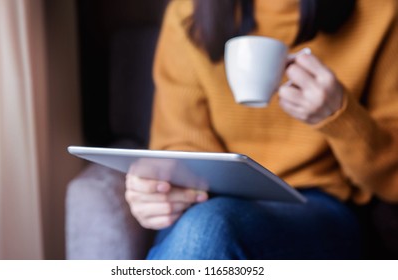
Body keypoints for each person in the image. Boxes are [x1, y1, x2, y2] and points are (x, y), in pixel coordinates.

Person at [124, 0, 398, 259]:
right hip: (210, 202)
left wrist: (340, 116)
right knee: (206, 226)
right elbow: (179, 145)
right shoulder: (189, 12)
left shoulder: (379, 12)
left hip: (317, 207)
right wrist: (158, 188)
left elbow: (393, 182)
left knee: (208, 227)